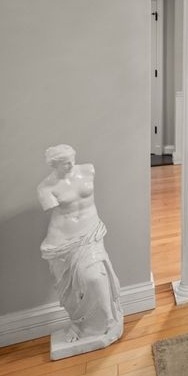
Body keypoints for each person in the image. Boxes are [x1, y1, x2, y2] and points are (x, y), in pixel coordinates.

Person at [38, 144, 123, 356]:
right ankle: (77, 323)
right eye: (65, 162)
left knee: (94, 276)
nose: (70, 164)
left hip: (90, 233)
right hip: (62, 240)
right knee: (71, 287)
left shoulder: (88, 170)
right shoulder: (45, 188)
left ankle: (110, 319)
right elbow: (55, 212)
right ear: (54, 165)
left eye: (72, 159)